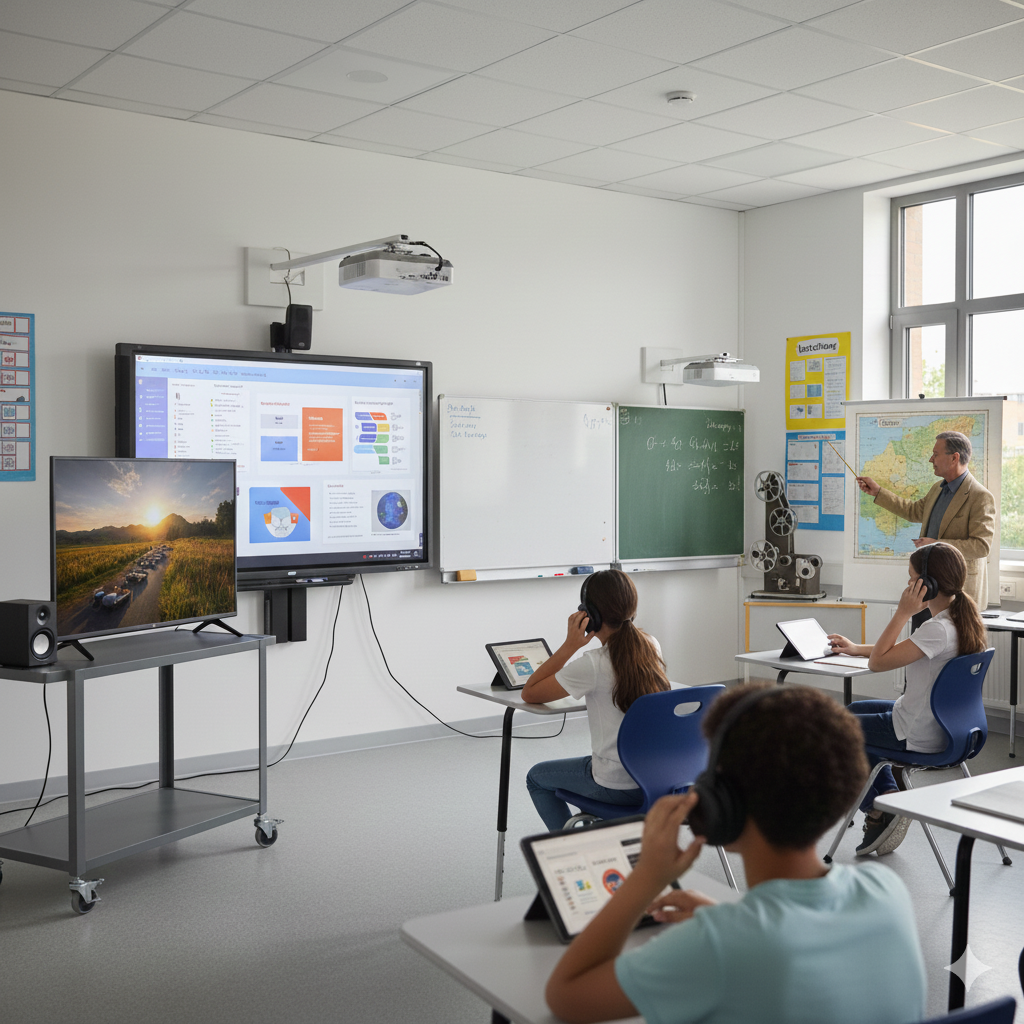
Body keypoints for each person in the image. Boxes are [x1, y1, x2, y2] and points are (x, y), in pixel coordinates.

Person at [544, 683, 926, 1024]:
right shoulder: (885, 890)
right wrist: (726, 921)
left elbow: (566, 996)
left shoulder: (719, 947)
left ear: (722, 800)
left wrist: (646, 877)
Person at [828, 542, 988, 856]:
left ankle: (880, 807)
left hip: (918, 732)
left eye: (912, 578)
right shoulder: (961, 619)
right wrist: (856, 648)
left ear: (928, 584)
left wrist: (903, 613)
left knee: (834, 731)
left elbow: (878, 663)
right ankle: (890, 796)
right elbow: (904, 651)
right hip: (945, 726)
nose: (908, 584)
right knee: (852, 712)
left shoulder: (937, 629)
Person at [523, 569, 669, 831]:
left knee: (536, 778)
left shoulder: (593, 664)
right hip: (659, 779)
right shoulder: (651, 645)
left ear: (590, 614)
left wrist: (570, 645)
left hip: (617, 785)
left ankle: (572, 848)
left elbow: (530, 692)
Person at [856, 430, 995, 609]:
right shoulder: (937, 488)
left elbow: (981, 546)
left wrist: (937, 544)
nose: (931, 459)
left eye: (936, 454)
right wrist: (878, 492)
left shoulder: (980, 497)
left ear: (954, 458)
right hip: (927, 589)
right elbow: (913, 511)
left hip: (959, 594)